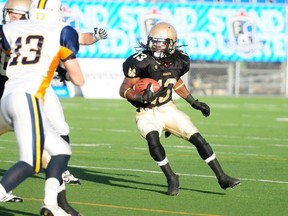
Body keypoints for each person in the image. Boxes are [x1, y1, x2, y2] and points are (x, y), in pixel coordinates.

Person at [119, 22, 240, 196]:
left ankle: (222, 177)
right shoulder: (141, 61)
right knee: (153, 140)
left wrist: (193, 102)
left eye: (161, 42)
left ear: (171, 44)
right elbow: (123, 88)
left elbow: (175, 81)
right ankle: (171, 178)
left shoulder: (179, 60)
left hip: (168, 108)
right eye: (154, 42)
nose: (156, 46)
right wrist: (138, 97)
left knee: (197, 138)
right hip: (146, 112)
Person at [0, 0, 108, 188]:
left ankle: (59, 177)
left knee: (59, 129)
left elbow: (80, 38)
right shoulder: (32, 30)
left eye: (15, 14)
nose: (12, 18)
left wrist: (61, 68)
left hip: (33, 86)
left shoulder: (19, 31)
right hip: (13, 87)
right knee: (35, 154)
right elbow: (77, 74)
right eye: (11, 14)